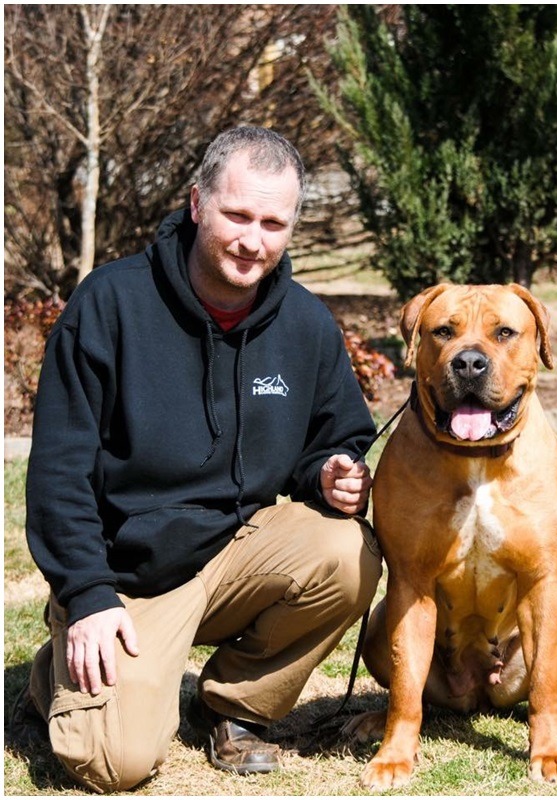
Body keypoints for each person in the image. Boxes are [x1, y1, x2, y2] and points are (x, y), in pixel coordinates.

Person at [18, 126, 383, 791]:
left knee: (348, 551)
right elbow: (59, 474)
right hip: (129, 573)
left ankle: (234, 706)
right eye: (237, 215)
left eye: (273, 224)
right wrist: (87, 592)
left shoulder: (305, 323)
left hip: (238, 551)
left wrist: (329, 472)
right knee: (113, 764)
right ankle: (55, 673)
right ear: (196, 203)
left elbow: (335, 437)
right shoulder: (110, 304)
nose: (253, 241)